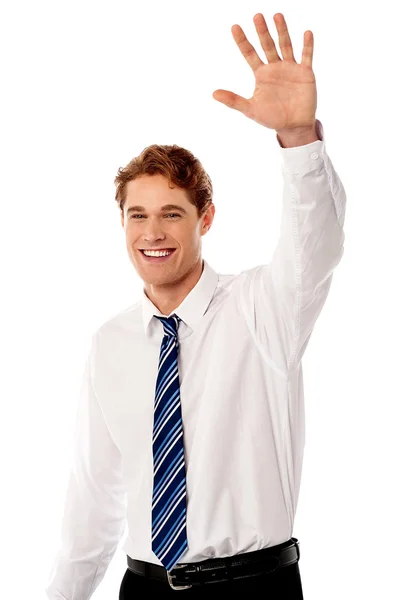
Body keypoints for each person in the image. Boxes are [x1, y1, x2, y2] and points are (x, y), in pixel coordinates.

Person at [45, 11, 346, 599]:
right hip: (145, 587)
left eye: (172, 214)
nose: (152, 233)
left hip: (254, 587)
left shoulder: (264, 308)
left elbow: (318, 245)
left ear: (205, 218)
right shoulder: (111, 343)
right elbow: (93, 501)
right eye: (138, 215)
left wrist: (298, 138)